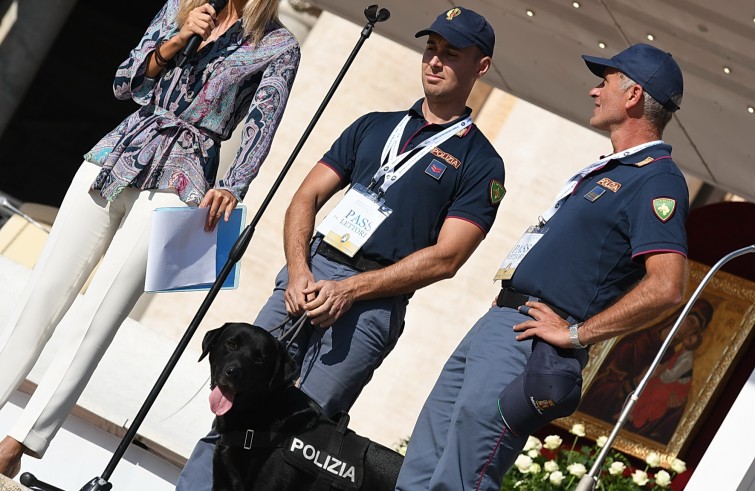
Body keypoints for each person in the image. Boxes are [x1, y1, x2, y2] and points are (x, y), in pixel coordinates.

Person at [176, 6, 505, 490]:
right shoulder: (374, 124)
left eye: (450, 54)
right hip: (306, 278)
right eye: (431, 50)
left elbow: (448, 257)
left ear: (480, 67)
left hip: (372, 301)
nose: (434, 62)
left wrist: (350, 291)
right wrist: (298, 270)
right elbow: (305, 196)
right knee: (232, 409)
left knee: (302, 438)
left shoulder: (481, 162)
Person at [0, 0, 300, 477]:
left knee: (99, 314)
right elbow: (126, 83)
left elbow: (263, 127)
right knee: (43, 293)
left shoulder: (278, 44)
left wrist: (234, 184)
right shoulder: (181, 7)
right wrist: (178, 38)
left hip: (185, 178)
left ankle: (20, 440)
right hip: (118, 152)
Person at [396, 42, 690, 490]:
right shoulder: (612, 169)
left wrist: (576, 334)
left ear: (633, 96)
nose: (594, 91)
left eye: (604, 82)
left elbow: (668, 286)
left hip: (531, 341)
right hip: (502, 321)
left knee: (462, 475)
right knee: (421, 464)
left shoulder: (657, 178)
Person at [580, 298, 713, 433]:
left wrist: (674, 405)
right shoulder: (635, 345)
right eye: (690, 322)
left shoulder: (672, 358)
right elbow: (599, 387)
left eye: (695, 330)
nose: (689, 331)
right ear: (679, 315)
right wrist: (637, 381)